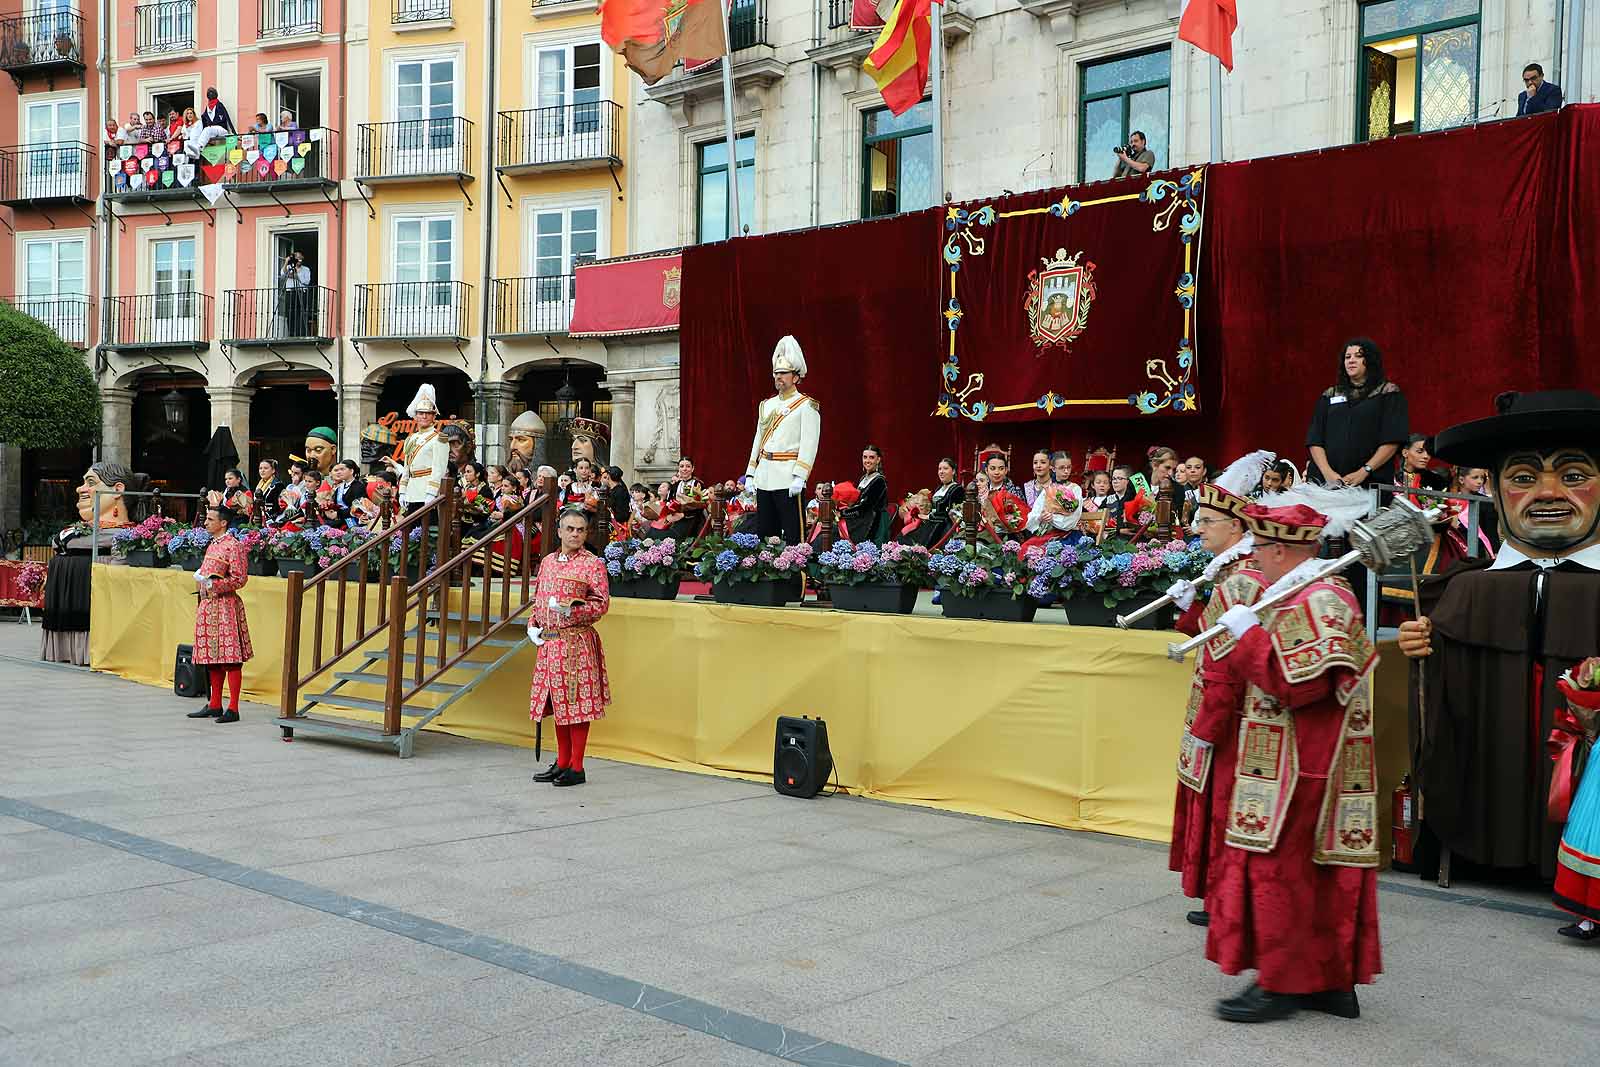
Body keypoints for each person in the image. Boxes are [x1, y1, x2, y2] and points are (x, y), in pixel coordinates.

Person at [1398, 390, 1600, 886]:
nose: (1549, 493)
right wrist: (1426, 647)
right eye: (1523, 478)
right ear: (1492, 488)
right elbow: (1440, 707)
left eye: (1573, 476)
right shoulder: (1464, 588)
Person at [1207, 496, 1382, 1022]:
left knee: (1282, 869)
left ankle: (1282, 983)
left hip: (1305, 761)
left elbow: (1298, 686)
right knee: (1319, 871)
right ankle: (1328, 981)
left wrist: (1247, 637)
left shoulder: (1322, 597)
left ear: (1282, 550)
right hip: (1310, 756)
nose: (1253, 556)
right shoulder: (1302, 590)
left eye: (1259, 547)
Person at [1163, 451, 1273, 928]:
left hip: (1232, 714)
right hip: (1220, 706)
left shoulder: (1243, 576)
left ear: (1235, 527)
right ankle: (1219, 893)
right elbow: (1210, 634)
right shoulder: (1227, 572)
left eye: (1207, 520)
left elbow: (1229, 658)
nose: (1198, 528)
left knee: (1226, 803)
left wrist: (1209, 725)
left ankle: (1229, 898)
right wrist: (1190, 609)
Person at [528, 506, 612, 788]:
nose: (575, 534)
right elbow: (537, 596)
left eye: (581, 530)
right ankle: (562, 762)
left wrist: (569, 613)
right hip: (549, 643)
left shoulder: (592, 563)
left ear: (586, 533)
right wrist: (533, 624)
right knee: (557, 702)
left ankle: (577, 766)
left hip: (575, 643)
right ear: (560, 531)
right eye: (570, 529)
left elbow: (601, 604)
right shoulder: (549, 561)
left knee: (576, 704)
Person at [43, 462, 143, 665]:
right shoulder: (74, 532)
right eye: (83, 483)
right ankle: (66, 649)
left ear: (118, 490)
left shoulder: (124, 535)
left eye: (90, 482)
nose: (80, 489)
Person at [742, 336, 821, 544]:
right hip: (765, 474)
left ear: (796, 377)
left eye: (783, 373)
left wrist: (800, 475)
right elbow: (758, 440)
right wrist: (751, 473)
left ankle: (796, 576)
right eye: (776, 373)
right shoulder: (766, 405)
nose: (778, 377)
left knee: (793, 532)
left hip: (788, 476)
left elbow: (809, 444)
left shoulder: (806, 405)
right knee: (766, 533)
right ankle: (770, 573)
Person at [1306, 338, 1409, 488]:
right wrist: (1328, 473)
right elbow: (1315, 439)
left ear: (1371, 360)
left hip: (1369, 482)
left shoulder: (1388, 393)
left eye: (1358, 356)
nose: (1351, 360)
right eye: (1347, 357)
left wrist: (1364, 471)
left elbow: (1392, 440)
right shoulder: (1330, 394)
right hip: (1325, 481)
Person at [185, 506, 254, 724]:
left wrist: (213, 584)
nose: (205, 523)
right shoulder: (214, 544)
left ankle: (233, 707)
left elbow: (240, 578)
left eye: (210, 519)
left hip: (224, 605)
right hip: (208, 605)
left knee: (230, 657)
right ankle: (215, 703)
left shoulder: (234, 546)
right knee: (213, 657)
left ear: (223, 523)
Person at [385, 384, 450, 513]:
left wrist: (432, 492)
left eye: (428, 414)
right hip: (411, 491)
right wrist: (403, 491)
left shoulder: (439, 438)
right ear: (416, 416)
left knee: (428, 529)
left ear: (433, 416)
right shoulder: (411, 438)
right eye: (421, 413)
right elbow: (407, 467)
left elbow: (439, 468)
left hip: (427, 491)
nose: (424, 417)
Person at [898, 457, 963, 549]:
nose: (941, 471)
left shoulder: (957, 489)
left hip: (944, 525)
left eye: (945, 468)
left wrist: (928, 516)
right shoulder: (939, 488)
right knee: (907, 536)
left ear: (953, 471)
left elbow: (948, 511)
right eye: (940, 469)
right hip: (932, 522)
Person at [974, 446, 1029, 540]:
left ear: (1006, 470)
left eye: (1001, 468)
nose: (997, 472)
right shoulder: (978, 492)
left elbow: (1021, 519)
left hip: (1007, 537)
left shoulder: (1014, 491)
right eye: (993, 468)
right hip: (982, 534)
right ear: (986, 470)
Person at [839, 444, 889, 544]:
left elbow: (866, 506)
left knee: (836, 531)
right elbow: (858, 503)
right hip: (862, 518)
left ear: (878, 460)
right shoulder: (863, 478)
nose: (867, 461)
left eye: (871, 457)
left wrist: (843, 513)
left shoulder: (879, 481)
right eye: (865, 457)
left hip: (873, 522)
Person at [661, 457, 707, 543]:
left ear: (693, 468)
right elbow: (668, 502)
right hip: (676, 519)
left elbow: (703, 503)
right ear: (678, 469)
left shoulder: (698, 484)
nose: (684, 469)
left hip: (694, 520)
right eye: (682, 466)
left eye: (688, 466)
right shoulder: (675, 485)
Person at [279, 251, 312, 337]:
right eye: (297, 258)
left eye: (301, 258)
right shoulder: (290, 267)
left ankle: (301, 333)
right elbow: (282, 274)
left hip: (301, 292)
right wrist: (286, 261)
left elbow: (307, 281)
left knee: (300, 313)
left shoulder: (306, 269)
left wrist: (297, 276)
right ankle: (291, 333)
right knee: (290, 313)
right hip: (290, 292)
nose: (299, 260)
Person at [329, 458, 367, 525]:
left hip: (355, 521)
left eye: (342, 469)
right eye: (337, 470)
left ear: (351, 471)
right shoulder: (340, 487)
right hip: (342, 520)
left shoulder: (358, 486)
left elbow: (359, 507)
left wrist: (338, 514)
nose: (339, 472)